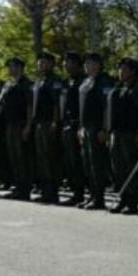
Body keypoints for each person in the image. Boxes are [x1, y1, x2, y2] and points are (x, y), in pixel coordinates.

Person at [0, 58, 32, 199]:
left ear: (19, 67)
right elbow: (0, 106)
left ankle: (25, 190)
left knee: (22, 158)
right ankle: (17, 187)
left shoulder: (26, 84)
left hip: (21, 124)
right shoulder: (8, 85)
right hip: (9, 125)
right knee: (13, 157)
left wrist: (28, 126)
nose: (9, 69)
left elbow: (30, 106)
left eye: (11, 66)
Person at [107, 58, 138, 214]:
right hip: (117, 132)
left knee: (130, 167)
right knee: (118, 167)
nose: (121, 72)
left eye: (125, 69)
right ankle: (123, 199)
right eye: (120, 69)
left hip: (130, 133)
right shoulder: (118, 89)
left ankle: (132, 201)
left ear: (133, 72)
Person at [78, 53, 114, 210]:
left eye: (90, 63)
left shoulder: (104, 82)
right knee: (88, 164)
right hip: (85, 126)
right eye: (85, 63)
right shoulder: (86, 82)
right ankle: (92, 195)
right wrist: (80, 127)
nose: (86, 66)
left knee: (97, 164)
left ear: (98, 64)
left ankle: (99, 198)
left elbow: (107, 107)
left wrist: (105, 128)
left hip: (97, 126)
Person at [28, 52, 63, 204]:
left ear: (51, 64)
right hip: (39, 123)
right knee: (41, 158)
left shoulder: (55, 81)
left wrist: (55, 122)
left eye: (44, 62)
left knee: (50, 158)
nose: (41, 65)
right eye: (39, 62)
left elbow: (57, 103)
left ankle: (52, 192)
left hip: (49, 122)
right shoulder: (38, 82)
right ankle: (44, 189)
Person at [59, 52, 87, 206]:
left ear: (77, 64)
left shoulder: (83, 82)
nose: (65, 65)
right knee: (70, 161)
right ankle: (75, 192)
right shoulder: (66, 82)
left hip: (78, 124)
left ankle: (81, 193)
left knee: (78, 161)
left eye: (68, 62)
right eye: (64, 62)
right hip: (67, 124)